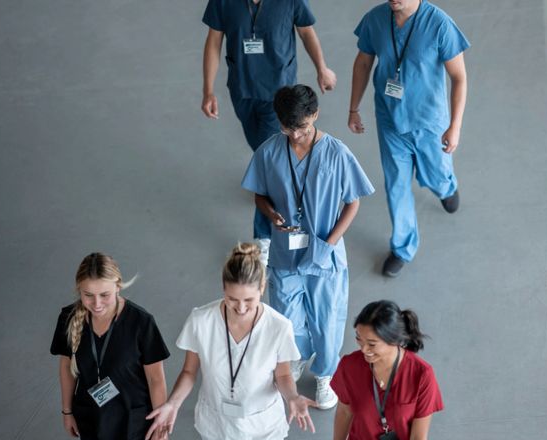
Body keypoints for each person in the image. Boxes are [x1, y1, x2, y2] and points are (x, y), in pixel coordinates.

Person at [145, 243, 316, 440]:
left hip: (264, 428)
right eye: (231, 298)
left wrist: (293, 397)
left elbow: (283, 375)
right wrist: (172, 403)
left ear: (262, 287)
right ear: (222, 289)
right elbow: (189, 371)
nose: (240, 308)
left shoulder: (279, 326)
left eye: (249, 300)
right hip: (217, 426)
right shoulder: (202, 319)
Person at [241, 84, 375, 409]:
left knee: (326, 317)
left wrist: (330, 243)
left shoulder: (337, 153)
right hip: (286, 252)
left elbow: (352, 203)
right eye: (287, 128)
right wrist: (272, 214)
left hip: (324, 255)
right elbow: (259, 193)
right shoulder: (270, 151)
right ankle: (295, 359)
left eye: (300, 127)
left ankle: (325, 375)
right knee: (287, 315)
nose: (295, 134)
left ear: (314, 115)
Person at [201, 0, 338, 259]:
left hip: (278, 92)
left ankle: (263, 235)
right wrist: (208, 90)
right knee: (259, 147)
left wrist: (322, 67)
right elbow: (214, 41)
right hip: (242, 89)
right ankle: (281, 189)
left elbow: (306, 31)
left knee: (268, 160)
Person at [348, 0, 469, 277]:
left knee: (436, 174)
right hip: (390, 121)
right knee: (396, 186)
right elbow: (363, 62)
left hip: (429, 124)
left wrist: (455, 126)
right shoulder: (375, 19)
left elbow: (459, 77)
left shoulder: (439, 24)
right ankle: (403, 247)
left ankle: (446, 187)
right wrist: (354, 108)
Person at [50, 253, 170, 440]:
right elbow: (66, 368)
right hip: (94, 418)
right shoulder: (69, 317)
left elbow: (156, 380)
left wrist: (161, 431)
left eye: (104, 294)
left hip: (139, 421)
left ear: (119, 285)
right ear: (79, 290)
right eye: (88, 295)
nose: (96, 304)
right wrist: (66, 411)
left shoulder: (141, 322)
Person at [330, 300, 442, 440]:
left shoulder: (421, 375)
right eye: (359, 340)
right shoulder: (350, 366)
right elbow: (344, 410)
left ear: (394, 340)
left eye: (372, 343)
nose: (363, 350)